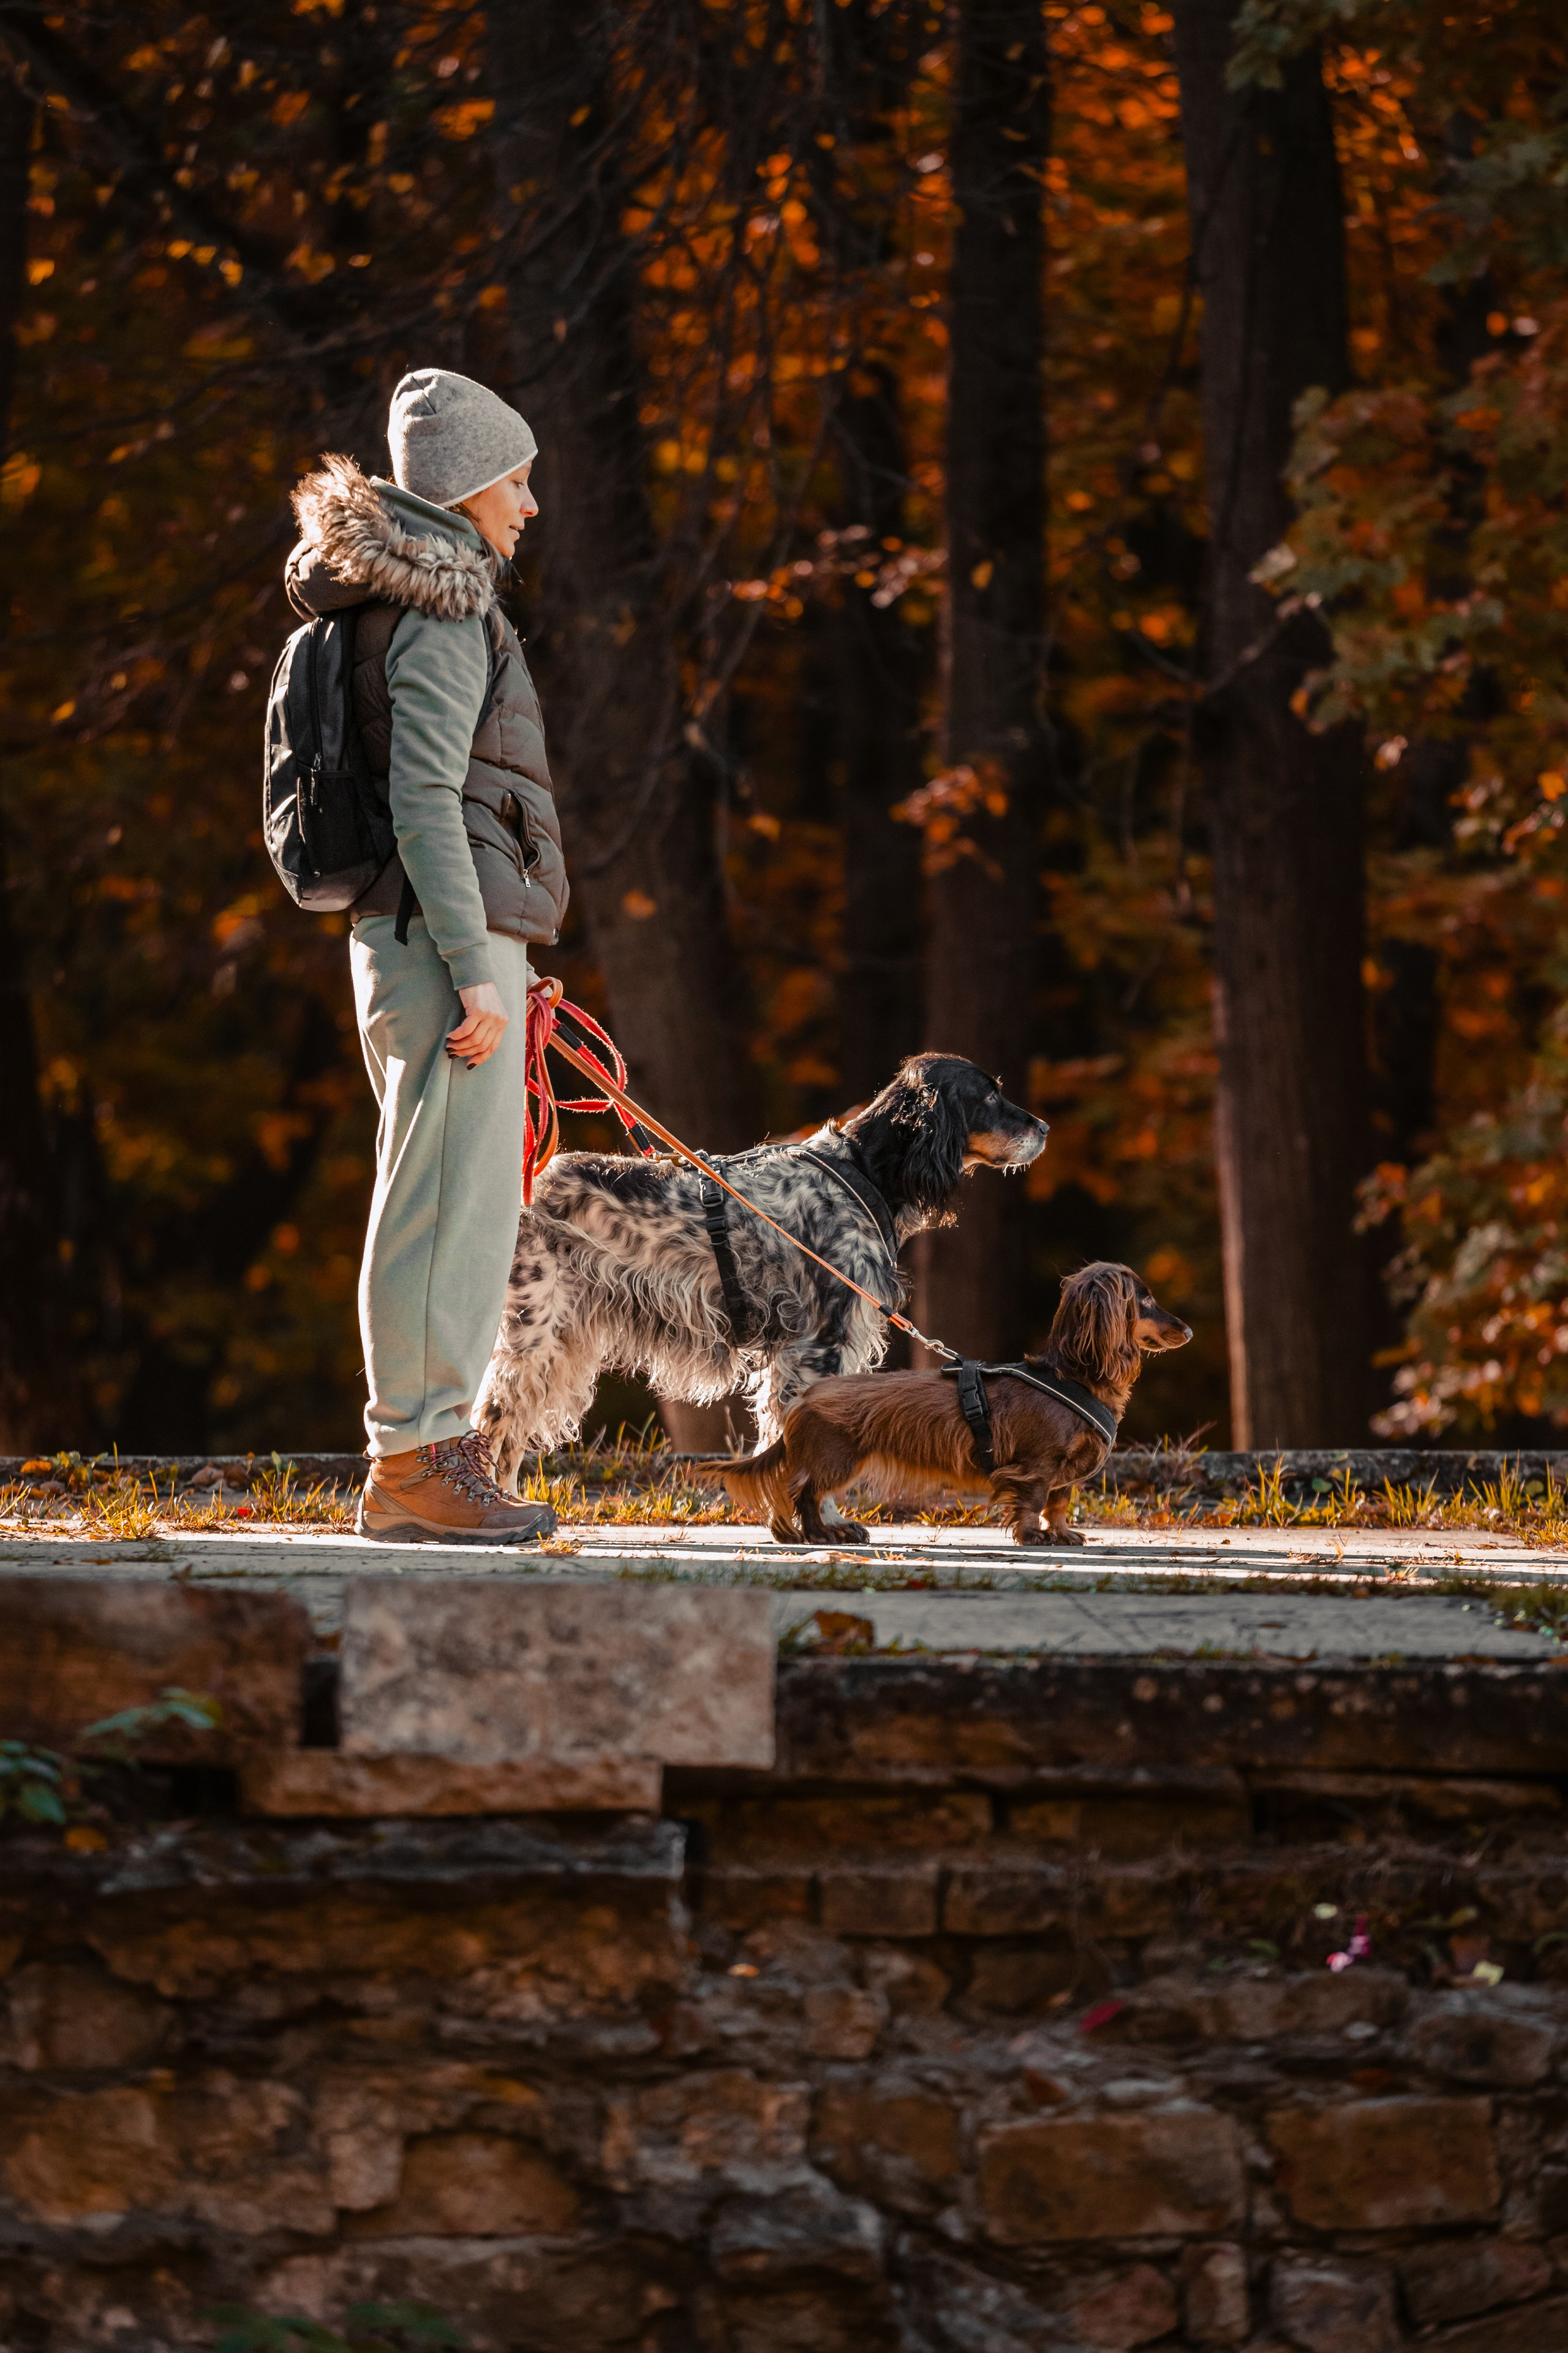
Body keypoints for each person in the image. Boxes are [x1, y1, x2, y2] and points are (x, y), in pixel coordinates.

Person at [285, 368, 565, 1541]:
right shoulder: (446, 610)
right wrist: (475, 965)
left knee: (437, 1199)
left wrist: (497, 953)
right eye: (518, 480)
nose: (530, 505)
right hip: (440, 946)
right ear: (467, 487)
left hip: (417, 938)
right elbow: (426, 802)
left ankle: (425, 1454)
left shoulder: (387, 600)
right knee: (446, 1211)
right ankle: (417, 1461)